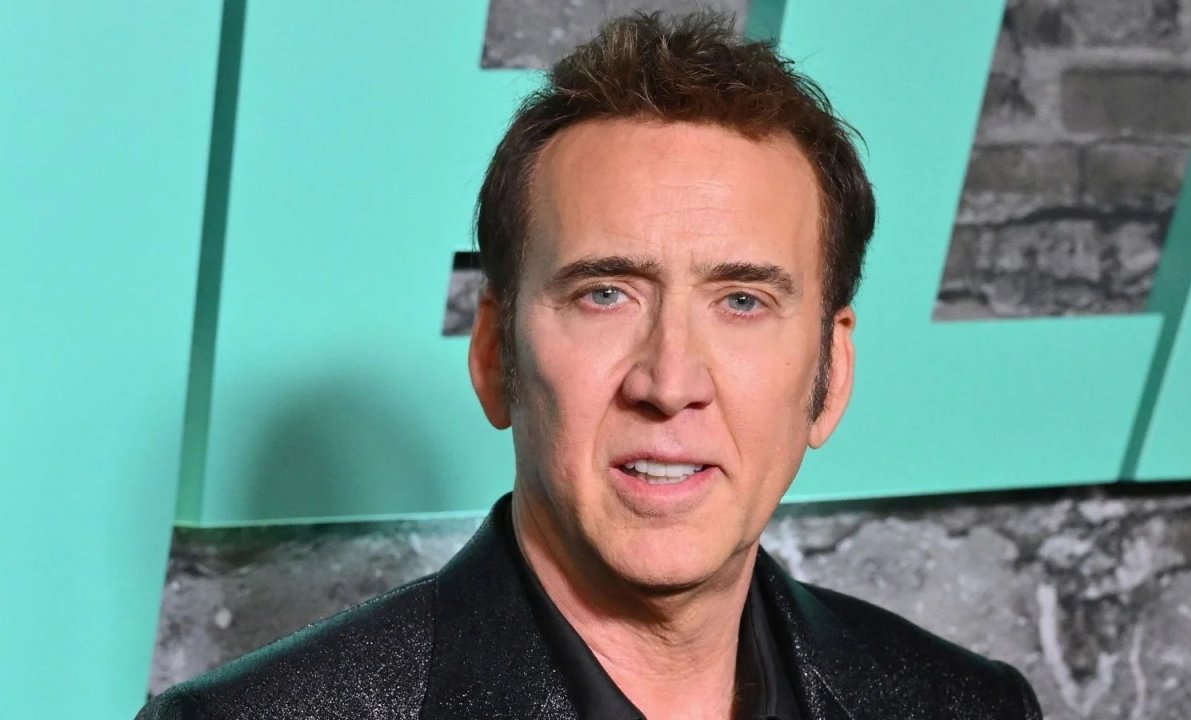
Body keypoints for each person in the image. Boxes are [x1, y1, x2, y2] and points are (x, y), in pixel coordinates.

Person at [138, 12, 1040, 720]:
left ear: (830, 374)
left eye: (742, 301)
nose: (669, 383)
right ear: (495, 353)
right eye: (606, 293)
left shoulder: (966, 706)